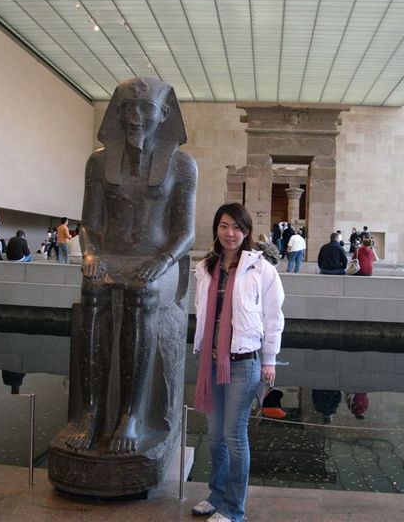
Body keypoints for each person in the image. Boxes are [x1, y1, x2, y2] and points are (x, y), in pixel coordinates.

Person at [64, 76, 197, 457]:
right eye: (127, 108)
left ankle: (131, 415)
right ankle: (90, 413)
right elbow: (89, 224)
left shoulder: (182, 164)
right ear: (116, 113)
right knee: (93, 290)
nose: (135, 116)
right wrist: (91, 255)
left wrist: (161, 260)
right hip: (113, 255)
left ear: (164, 114)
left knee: (142, 292)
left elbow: (185, 232)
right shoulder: (99, 162)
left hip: (162, 259)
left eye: (146, 108)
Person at [192, 202, 285, 522]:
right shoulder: (206, 267)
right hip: (212, 362)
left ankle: (233, 508)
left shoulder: (261, 269)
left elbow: (274, 318)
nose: (230, 233)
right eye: (224, 226)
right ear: (216, 229)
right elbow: (203, 312)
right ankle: (216, 496)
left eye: (237, 228)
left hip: (244, 363)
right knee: (215, 436)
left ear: (246, 232)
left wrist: (270, 359)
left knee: (233, 435)